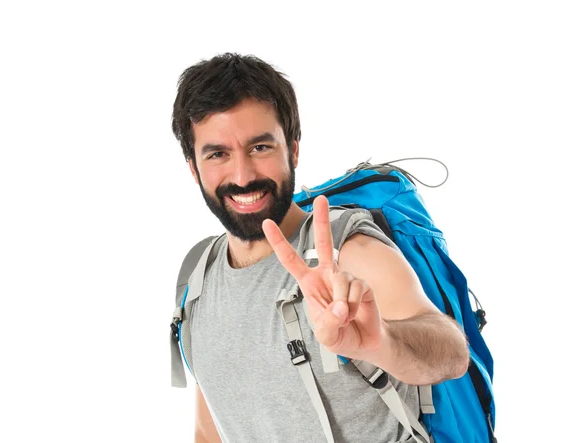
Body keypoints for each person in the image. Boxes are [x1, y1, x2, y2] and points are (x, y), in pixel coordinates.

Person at [171, 53, 470, 443]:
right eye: (218, 154)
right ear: (194, 167)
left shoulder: (350, 249)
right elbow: (209, 431)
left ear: (292, 150)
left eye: (260, 147)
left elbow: (450, 353)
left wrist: (382, 342)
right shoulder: (198, 278)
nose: (242, 176)